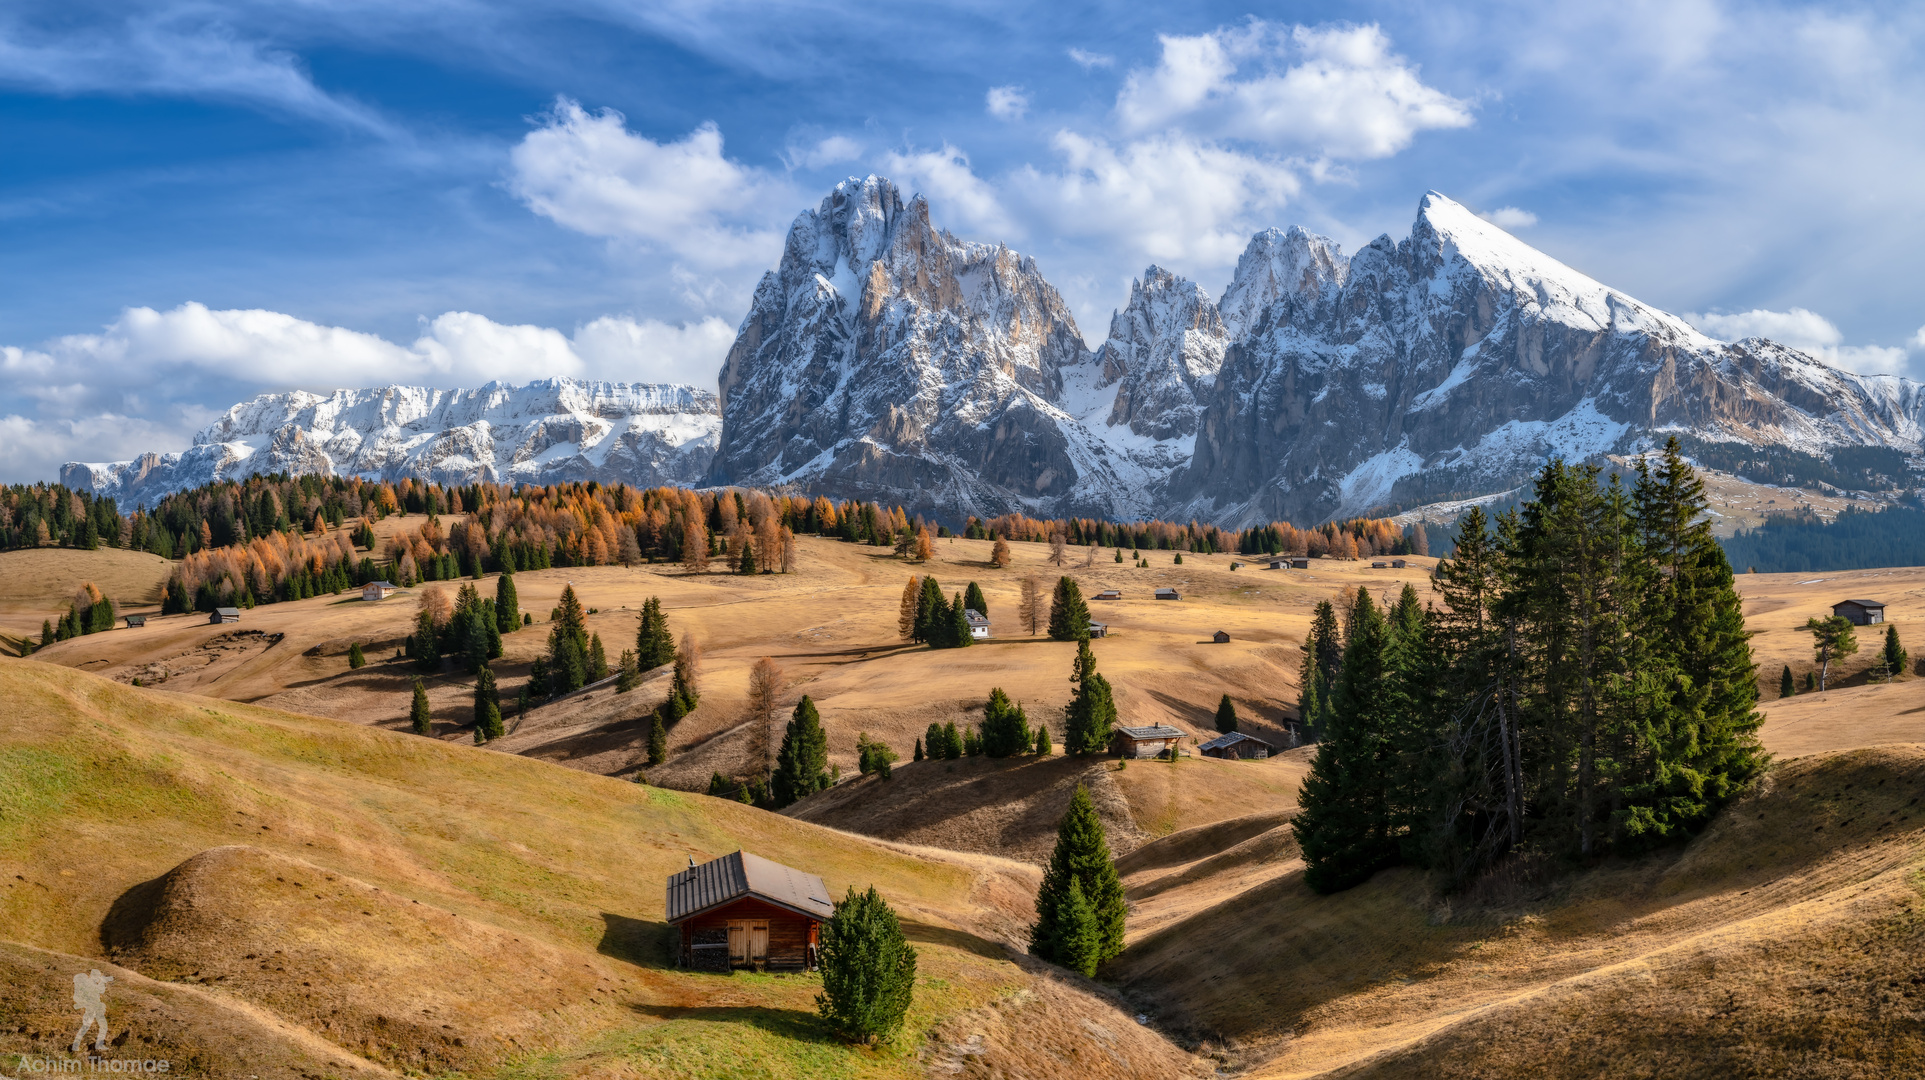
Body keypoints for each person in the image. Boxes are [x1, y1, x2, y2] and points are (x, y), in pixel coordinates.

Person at [71, 968, 113, 1053]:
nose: (98, 978)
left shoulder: (92, 983)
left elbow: (101, 990)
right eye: (97, 977)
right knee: (85, 1027)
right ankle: (75, 1045)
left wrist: (102, 981)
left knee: (103, 1026)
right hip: (91, 1008)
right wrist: (103, 981)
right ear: (93, 976)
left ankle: (99, 1044)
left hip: (96, 1008)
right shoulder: (89, 983)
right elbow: (99, 990)